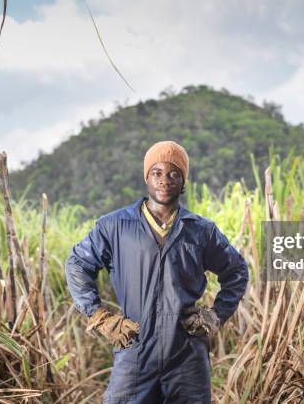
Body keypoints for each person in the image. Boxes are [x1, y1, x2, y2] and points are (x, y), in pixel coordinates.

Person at [65, 140, 250, 403]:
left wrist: (215, 315)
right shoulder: (114, 226)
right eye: (157, 173)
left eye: (174, 173)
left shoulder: (201, 230)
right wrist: (99, 316)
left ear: (183, 181)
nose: (165, 180)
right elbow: (77, 264)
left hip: (186, 354)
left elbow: (237, 271)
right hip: (135, 350)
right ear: (147, 177)